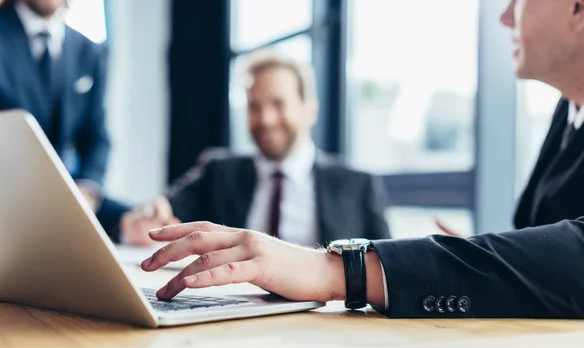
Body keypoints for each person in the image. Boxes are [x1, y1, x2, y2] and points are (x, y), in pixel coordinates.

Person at [139, 0, 584, 319]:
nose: (505, 14)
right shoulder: (567, 112)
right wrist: (485, 255)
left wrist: (339, 271)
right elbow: (549, 249)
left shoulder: (356, 182)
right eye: (254, 106)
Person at [120, 53, 391, 247]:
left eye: (278, 104)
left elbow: (386, 268)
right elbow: (166, 208)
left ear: (310, 109)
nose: (265, 119)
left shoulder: (358, 185)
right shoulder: (217, 171)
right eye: (254, 106)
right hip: (236, 313)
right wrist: (149, 218)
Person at [439, 0, 584, 236]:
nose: (505, 18)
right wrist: (485, 264)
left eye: (519, 2)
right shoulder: (567, 109)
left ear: (577, 9)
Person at [0, 0, 129, 235]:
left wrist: (87, 189)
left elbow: (96, 136)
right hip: (0, 195)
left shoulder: (88, 50)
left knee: (136, 221)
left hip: (64, 195)